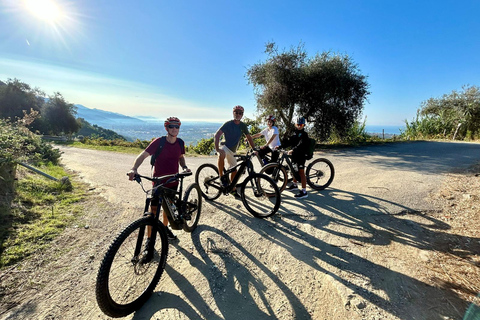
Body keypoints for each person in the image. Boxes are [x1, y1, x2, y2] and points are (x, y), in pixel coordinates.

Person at [127, 116, 190, 243]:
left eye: (176, 126)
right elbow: (143, 155)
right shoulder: (159, 142)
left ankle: (165, 229)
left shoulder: (180, 142)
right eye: (171, 126)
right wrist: (134, 168)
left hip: (173, 181)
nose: (174, 129)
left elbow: (181, 157)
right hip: (158, 182)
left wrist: (184, 167)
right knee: (153, 210)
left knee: (168, 209)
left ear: (179, 128)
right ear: (166, 128)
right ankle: (149, 239)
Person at [214, 105, 255, 198]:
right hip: (224, 146)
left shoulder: (243, 126)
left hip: (233, 151)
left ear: (242, 115)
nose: (238, 114)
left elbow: (249, 138)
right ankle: (221, 177)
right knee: (222, 154)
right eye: (236, 112)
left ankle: (232, 188)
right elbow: (217, 135)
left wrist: (254, 149)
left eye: (240, 113)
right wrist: (217, 149)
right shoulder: (228, 124)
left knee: (234, 170)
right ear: (233, 113)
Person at [282, 116, 309, 199]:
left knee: (301, 173)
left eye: (301, 124)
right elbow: (290, 142)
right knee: (293, 169)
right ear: (295, 125)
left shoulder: (304, 134)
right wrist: (280, 146)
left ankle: (304, 191)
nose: (299, 126)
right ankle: (294, 185)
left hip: (301, 156)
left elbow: (300, 145)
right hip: (294, 155)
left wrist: (292, 150)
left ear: (304, 125)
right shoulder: (295, 133)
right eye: (298, 124)